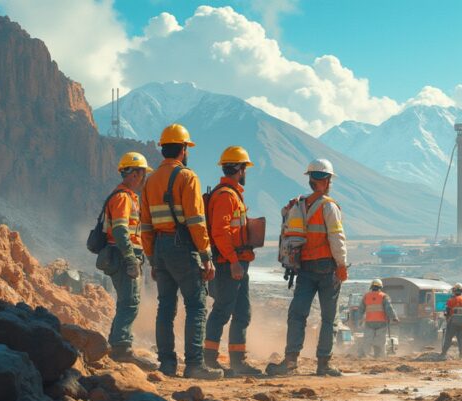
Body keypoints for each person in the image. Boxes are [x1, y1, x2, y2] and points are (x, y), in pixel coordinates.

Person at [140, 124, 222, 380]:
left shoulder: (150, 180)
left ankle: (166, 364)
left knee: (165, 307)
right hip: (182, 247)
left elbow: (145, 225)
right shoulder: (187, 177)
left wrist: (152, 258)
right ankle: (195, 365)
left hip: (161, 249)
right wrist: (206, 255)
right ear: (183, 149)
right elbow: (196, 220)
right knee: (196, 305)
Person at [267, 159, 348, 377]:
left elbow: (286, 223)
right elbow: (336, 237)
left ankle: (291, 361)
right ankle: (323, 364)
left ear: (310, 179)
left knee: (297, 315)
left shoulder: (298, 205)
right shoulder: (329, 206)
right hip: (327, 268)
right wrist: (341, 264)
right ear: (328, 180)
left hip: (304, 267)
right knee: (329, 318)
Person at [203, 146, 262, 376]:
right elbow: (220, 232)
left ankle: (238, 362)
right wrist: (234, 261)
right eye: (245, 167)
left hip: (237, 261)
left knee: (242, 312)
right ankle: (210, 359)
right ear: (238, 169)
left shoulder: (233, 194)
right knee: (222, 310)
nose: (246, 172)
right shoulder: (226, 196)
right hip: (230, 263)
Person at [103, 152, 157, 371]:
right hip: (123, 255)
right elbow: (120, 229)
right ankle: (122, 349)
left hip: (122, 254)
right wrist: (130, 258)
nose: (144, 178)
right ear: (134, 174)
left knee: (126, 301)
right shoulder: (123, 197)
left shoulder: (126, 196)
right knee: (130, 302)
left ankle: (116, 344)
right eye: (142, 173)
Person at [358, 279, 399, 358]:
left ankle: (365, 355)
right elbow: (389, 309)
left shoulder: (366, 296)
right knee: (380, 340)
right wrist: (394, 317)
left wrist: (360, 319)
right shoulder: (384, 296)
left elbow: (361, 309)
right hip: (381, 322)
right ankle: (379, 356)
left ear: (371, 287)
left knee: (367, 339)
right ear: (380, 287)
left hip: (369, 322)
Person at [440, 282, 462, 359]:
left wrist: (447, 319)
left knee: (448, 338)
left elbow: (446, 313)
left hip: (452, 323)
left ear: (454, 291)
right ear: (461, 291)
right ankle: (461, 354)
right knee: (460, 339)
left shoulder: (451, 301)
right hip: (461, 324)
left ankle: (443, 354)